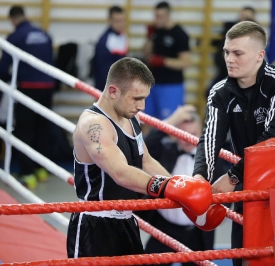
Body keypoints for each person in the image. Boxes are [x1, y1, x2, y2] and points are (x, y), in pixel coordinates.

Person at [66, 57, 215, 259]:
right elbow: (120, 172)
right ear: (113, 91)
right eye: (136, 98)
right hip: (95, 224)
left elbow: (145, 160)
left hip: (127, 220)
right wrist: (166, 188)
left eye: (144, 98)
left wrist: (178, 187)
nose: (142, 106)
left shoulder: (131, 117)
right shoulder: (93, 125)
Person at [193, 21, 275, 266]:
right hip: (249, 190)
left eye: (238, 53)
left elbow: (273, 137)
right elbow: (209, 138)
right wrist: (200, 180)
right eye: (226, 52)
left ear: (260, 55)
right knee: (243, 258)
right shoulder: (220, 92)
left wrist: (233, 176)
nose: (229, 59)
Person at [139, 105, 216, 266]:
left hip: (197, 233)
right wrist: (172, 120)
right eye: (182, 134)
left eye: (192, 134)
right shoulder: (165, 150)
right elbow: (142, 146)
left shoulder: (213, 157)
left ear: (201, 133)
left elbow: (225, 188)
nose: (187, 139)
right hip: (164, 228)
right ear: (175, 134)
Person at [0, 5, 54, 189]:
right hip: (47, 87)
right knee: (42, 128)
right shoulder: (44, 34)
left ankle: (28, 175)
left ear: (12, 19)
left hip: (28, 88)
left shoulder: (15, 36)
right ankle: (41, 170)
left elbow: (4, 66)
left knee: (25, 130)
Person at [143, 1, 191, 120]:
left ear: (168, 15)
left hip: (171, 86)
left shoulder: (180, 34)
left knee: (170, 123)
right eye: (155, 16)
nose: (157, 19)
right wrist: (150, 37)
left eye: (160, 16)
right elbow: (146, 54)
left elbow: (186, 62)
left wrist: (163, 61)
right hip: (152, 84)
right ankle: (145, 140)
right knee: (146, 120)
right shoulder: (156, 31)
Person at [209, 6, 256, 92]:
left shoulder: (256, 37)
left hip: (243, 77)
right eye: (242, 16)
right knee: (211, 92)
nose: (243, 20)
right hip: (224, 72)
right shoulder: (229, 31)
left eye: (247, 18)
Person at [92, 5, 128, 91]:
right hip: (107, 87)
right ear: (110, 20)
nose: (120, 24)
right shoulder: (105, 41)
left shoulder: (123, 36)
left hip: (119, 85)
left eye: (122, 21)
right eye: (117, 21)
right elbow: (101, 69)